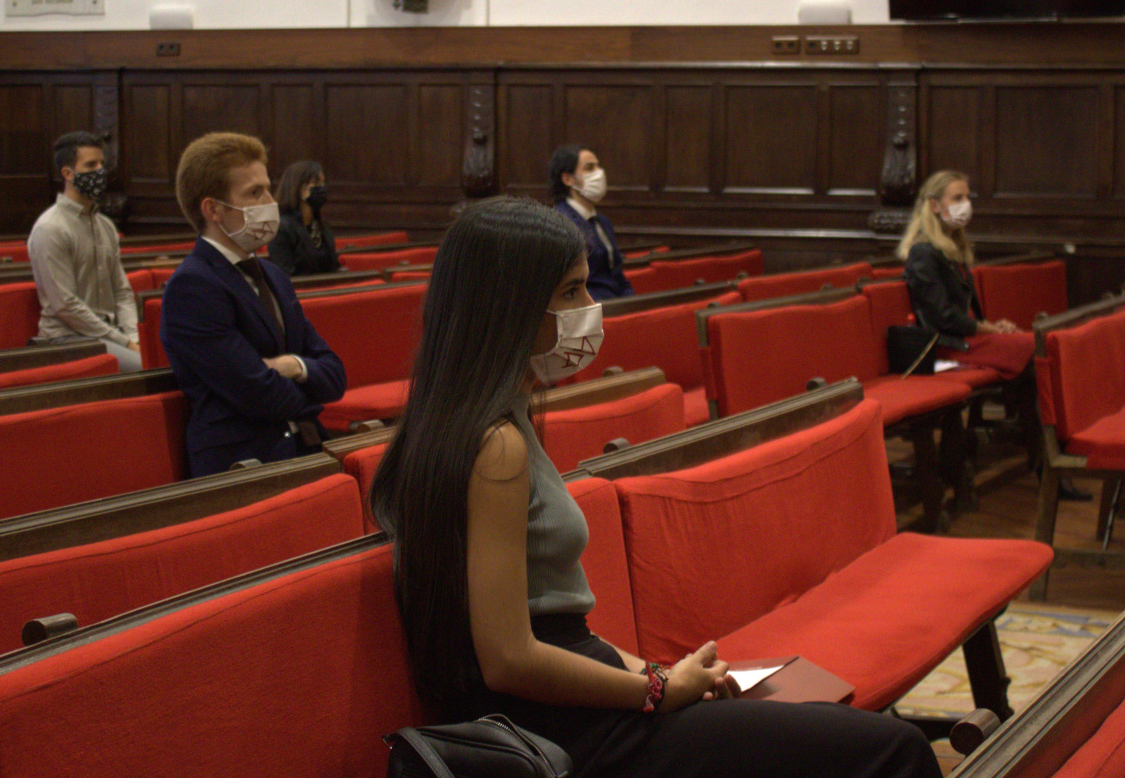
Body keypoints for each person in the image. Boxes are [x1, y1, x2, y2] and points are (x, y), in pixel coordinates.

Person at [370, 196, 941, 778]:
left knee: (807, 703)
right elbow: (508, 659)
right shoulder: (495, 446)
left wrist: (666, 676)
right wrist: (653, 691)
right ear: (509, 307)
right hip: (564, 733)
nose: (591, 309)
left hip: (581, 703)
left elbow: (564, 629)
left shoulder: (482, 422)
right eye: (571, 293)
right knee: (895, 750)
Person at [160, 133, 347, 477]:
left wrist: (291, 365)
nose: (269, 200)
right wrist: (312, 395)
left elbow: (335, 374)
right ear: (213, 209)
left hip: (304, 446)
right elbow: (257, 392)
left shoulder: (274, 275)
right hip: (242, 462)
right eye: (253, 193)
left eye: (267, 188)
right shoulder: (193, 286)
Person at [897, 170, 1088, 500]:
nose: (965, 205)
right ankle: (1049, 465)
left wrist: (993, 326)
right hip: (945, 347)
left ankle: (1050, 464)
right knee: (1035, 348)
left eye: (967, 197)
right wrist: (990, 330)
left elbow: (968, 310)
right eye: (957, 198)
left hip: (968, 339)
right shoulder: (923, 253)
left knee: (1039, 355)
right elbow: (944, 317)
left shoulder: (951, 247)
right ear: (934, 205)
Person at [27, 132, 141, 372]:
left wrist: (135, 336)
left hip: (108, 334)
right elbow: (65, 305)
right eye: (91, 165)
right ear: (68, 174)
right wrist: (126, 342)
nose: (100, 171)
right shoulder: (51, 228)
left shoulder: (105, 226)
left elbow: (122, 292)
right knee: (147, 367)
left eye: (101, 164)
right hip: (67, 339)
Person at [550, 145, 633, 300]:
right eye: (589, 168)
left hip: (617, 303)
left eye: (597, 166)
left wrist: (631, 300)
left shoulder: (603, 222)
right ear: (568, 179)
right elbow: (571, 285)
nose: (599, 172)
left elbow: (616, 273)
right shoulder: (560, 224)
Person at [267, 159, 339, 277]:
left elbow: (333, 266)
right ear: (298, 187)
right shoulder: (281, 229)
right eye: (315, 184)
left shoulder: (321, 224)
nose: (321, 188)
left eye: (322, 183)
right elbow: (285, 275)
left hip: (328, 290)